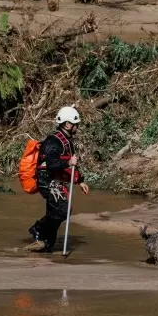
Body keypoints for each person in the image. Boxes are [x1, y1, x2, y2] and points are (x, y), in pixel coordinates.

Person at [26, 106, 90, 252]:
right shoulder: (53, 142)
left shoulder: (67, 141)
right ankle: (38, 229)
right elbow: (52, 164)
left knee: (55, 214)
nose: (77, 126)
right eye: (76, 124)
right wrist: (68, 163)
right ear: (67, 124)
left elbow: (70, 164)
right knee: (63, 210)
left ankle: (45, 245)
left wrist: (80, 181)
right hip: (47, 181)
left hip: (55, 181)